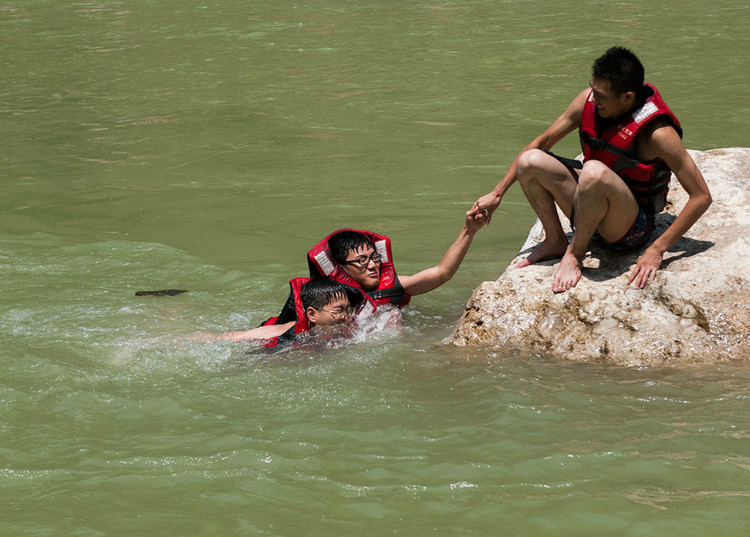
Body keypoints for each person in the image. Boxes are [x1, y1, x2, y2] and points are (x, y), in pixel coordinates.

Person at [471, 46, 712, 293]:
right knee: (529, 161)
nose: (594, 101)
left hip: (629, 228)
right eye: (594, 91)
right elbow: (541, 143)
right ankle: (555, 239)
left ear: (627, 97)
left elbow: (702, 196)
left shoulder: (659, 135)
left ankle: (574, 255)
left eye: (602, 97)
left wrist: (657, 249)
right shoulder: (588, 100)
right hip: (589, 205)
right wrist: (497, 193)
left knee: (594, 171)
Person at [307, 209, 486, 310]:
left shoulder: (393, 286)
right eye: (362, 260)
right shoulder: (325, 302)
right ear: (339, 268)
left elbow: (442, 273)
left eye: (374, 257)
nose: (372, 265)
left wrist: (469, 230)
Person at [216, 277, 362, 347]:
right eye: (338, 310)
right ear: (312, 314)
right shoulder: (283, 332)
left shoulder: (347, 328)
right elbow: (235, 338)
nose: (346, 316)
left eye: (348, 309)